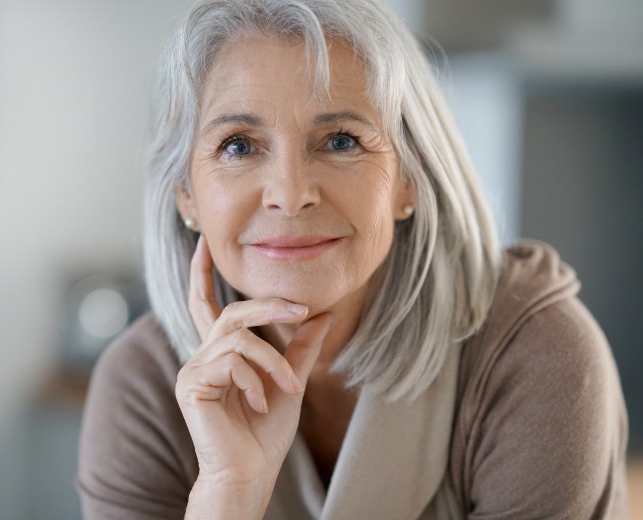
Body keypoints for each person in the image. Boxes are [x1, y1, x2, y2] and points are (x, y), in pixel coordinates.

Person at [76, 0, 629, 518]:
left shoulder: (531, 355)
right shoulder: (143, 386)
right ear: (186, 196)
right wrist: (229, 488)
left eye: (340, 141)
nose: (290, 195)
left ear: (409, 181)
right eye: (239, 145)